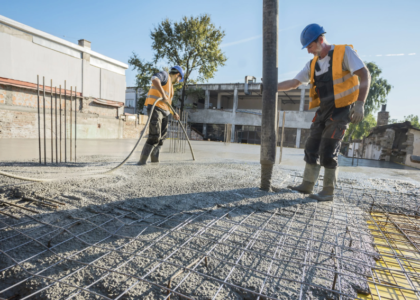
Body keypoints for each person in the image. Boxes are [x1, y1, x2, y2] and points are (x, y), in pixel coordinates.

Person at [278, 24, 371, 201]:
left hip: (342, 109)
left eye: (310, 47)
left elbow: (365, 74)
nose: (308, 51)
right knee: (311, 146)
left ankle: (328, 190)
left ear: (321, 40)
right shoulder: (312, 64)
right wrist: (271, 87)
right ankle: (307, 184)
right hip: (323, 111)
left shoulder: (344, 53)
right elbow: (294, 82)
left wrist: (360, 104)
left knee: (329, 149)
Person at [138, 66, 184, 165]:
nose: (179, 81)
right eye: (180, 79)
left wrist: (174, 113)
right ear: (177, 75)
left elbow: (168, 103)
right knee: (155, 136)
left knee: (162, 138)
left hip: (165, 111)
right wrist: (163, 94)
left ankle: (155, 161)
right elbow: (154, 79)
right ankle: (142, 161)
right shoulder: (165, 75)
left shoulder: (171, 87)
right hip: (155, 108)